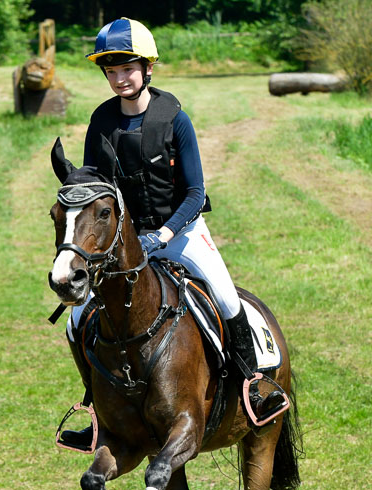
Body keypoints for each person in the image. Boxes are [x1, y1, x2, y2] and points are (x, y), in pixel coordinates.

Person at [60, 17, 285, 449]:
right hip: (125, 243)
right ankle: (97, 408)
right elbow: (95, 186)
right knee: (76, 320)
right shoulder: (101, 121)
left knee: (226, 299)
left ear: (148, 68)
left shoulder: (175, 119)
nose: (120, 79)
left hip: (180, 231)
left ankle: (254, 387)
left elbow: (196, 192)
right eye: (111, 71)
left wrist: (162, 235)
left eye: (128, 69)